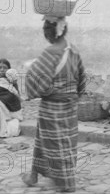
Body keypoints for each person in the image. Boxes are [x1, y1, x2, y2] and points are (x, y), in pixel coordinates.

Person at [22, 16, 87, 193]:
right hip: (70, 106)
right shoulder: (73, 50)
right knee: (50, 140)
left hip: (52, 107)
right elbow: (82, 79)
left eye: (45, 31)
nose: (45, 34)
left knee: (57, 144)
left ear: (50, 32)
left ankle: (66, 182)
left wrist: (44, 90)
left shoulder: (50, 52)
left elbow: (37, 80)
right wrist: (73, 95)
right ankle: (34, 174)